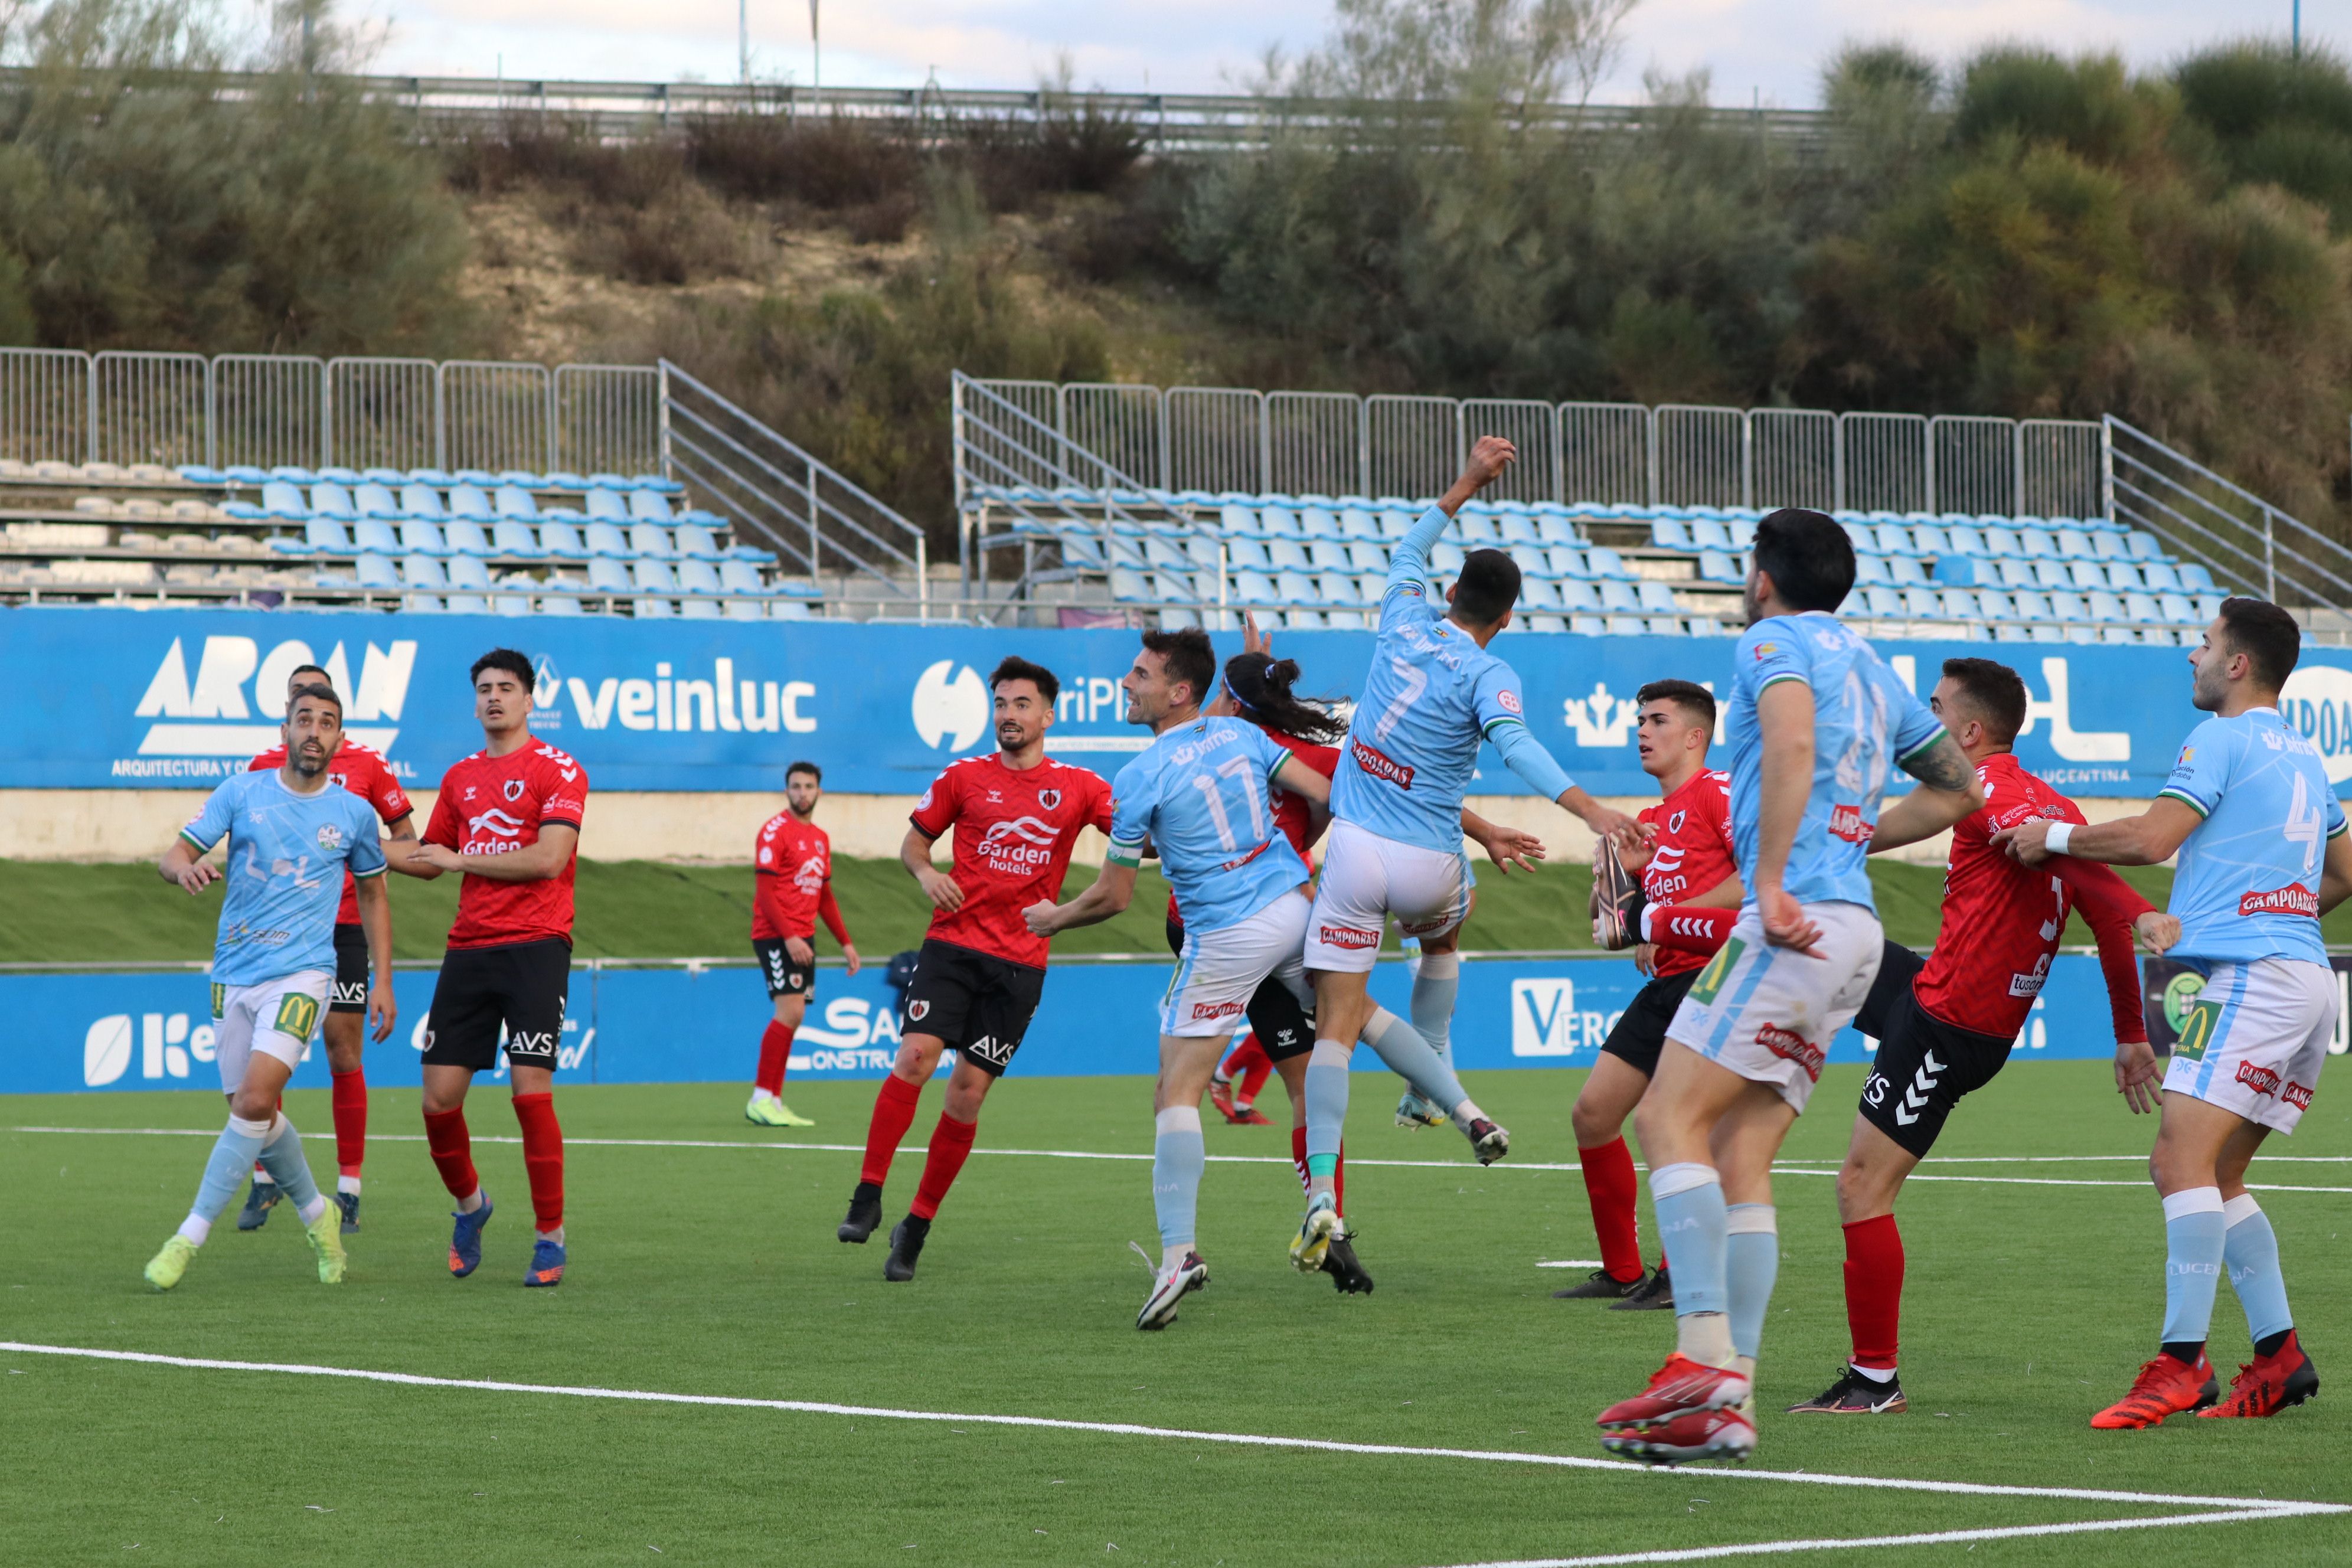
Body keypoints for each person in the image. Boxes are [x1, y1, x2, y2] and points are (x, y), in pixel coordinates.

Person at [1593, 507, 1983, 1466]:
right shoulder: (1868, 660)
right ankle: (1729, 1398)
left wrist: (1767, 881)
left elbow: (1789, 747)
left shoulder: (1770, 640)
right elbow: (1957, 787)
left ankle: (1696, 1357)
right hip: (1849, 929)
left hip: (1792, 917)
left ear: (1762, 575)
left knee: (1663, 1120)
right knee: (1739, 1150)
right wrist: (1851, 839)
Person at [1786, 657, 2179, 1416]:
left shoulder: (1988, 792)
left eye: (1933, 710)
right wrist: (2132, 1029)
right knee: (1825, 944)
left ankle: (1873, 1383)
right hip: (1935, 991)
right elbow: (2093, 908)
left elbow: (2103, 898)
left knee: (1861, 1188)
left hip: (1950, 1027)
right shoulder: (2048, 800)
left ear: (1968, 731)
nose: (1921, 723)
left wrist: (2139, 912)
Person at [1995, 598, 2352, 1427]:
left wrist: (2052, 836)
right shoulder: (2306, 755)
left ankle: (2181, 1366)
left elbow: (2155, 839)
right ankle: (2279, 1356)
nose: (2192, 656)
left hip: (2249, 978)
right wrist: (2281, 918)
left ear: (2237, 664)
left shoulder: (2221, 739)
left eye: (2204, 644)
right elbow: (2344, 871)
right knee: (2221, 1175)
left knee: (2175, 1164)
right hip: (2302, 977)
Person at [1295, 435, 1642, 1274]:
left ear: (1449, 592)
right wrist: (1590, 809)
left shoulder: (1404, 614)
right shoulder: (1493, 674)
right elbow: (1517, 746)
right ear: (1508, 619)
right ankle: (1431, 1072)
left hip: (1349, 859)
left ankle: (1322, 1199)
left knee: (1336, 1030)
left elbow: (1410, 544)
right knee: (1447, 929)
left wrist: (1469, 482)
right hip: (1423, 864)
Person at [1025, 629, 1338, 1327]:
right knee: (1354, 1029)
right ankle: (1446, 1096)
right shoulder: (1240, 738)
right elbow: (1330, 792)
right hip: (1293, 906)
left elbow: (1111, 896)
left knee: (1176, 1090)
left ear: (1179, 692)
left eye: (1139, 673)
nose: (1125, 682)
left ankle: (1180, 1254)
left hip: (1224, 935)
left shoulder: (1138, 776)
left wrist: (1054, 917)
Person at [837, 656, 1113, 1282]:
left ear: (1047, 715)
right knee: (914, 1057)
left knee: (966, 1096)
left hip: (1019, 965)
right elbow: (914, 842)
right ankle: (867, 1194)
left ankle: (917, 1225)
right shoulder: (964, 777)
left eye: (1021, 705)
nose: (1008, 715)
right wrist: (929, 872)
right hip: (952, 948)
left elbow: (1135, 841)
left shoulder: (1080, 787)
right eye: (1001, 704)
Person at [142, 682, 391, 1291]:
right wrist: (186, 869)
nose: (314, 730)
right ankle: (318, 1213)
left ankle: (187, 1237)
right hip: (234, 972)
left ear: (339, 739)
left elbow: (374, 894)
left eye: (327, 722)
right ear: (285, 730)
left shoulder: (354, 814)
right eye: (304, 718)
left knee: (256, 1101)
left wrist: (383, 977)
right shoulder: (241, 792)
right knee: (250, 1111)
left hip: (305, 973)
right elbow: (172, 856)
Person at [404, 650, 589, 1289]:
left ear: (530, 699)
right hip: (470, 948)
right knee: (437, 1099)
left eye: (506, 688)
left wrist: (463, 863)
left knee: (529, 1089)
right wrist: (360, 846)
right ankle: (471, 1205)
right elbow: (433, 857)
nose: (493, 698)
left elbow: (548, 858)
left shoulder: (559, 768)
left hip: (537, 944)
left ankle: (549, 1236)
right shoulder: (459, 777)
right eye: (483, 688)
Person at [1557, 680, 1742, 1310]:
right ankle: (1621, 1270)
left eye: (1657, 720)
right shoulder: (1654, 820)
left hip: (1718, 975)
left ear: (1696, 736)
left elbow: (1761, 875)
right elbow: (1621, 921)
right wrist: (1624, 884)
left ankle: (1680, 1271)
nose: (1641, 730)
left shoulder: (1718, 792)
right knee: (1592, 1115)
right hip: (1668, 982)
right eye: (1639, 720)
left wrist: (1667, 917)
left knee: (1669, 1121)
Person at [230, 662, 424, 1236]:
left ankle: (349, 1188)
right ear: (287, 715)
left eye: (320, 710)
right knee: (266, 1057)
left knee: (344, 1051)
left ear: (336, 721)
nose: (309, 719)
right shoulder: (261, 768)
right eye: (298, 705)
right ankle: (266, 1175)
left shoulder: (366, 765)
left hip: (342, 927)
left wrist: (356, 843)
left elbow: (407, 843)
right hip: (274, 930)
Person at [746, 760, 861, 1128]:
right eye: (795, 786)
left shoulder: (820, 838)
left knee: (795, 1016)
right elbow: (765, 894)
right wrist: (790, 937)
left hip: (802, 936)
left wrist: (846, 942)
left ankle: (774, 1100)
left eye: (808, 787)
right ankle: (762, 1097)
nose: (802, 793)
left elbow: (824, 896)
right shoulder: (774, 832)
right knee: (790, 1013)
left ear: (819, 791)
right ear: (787, 790)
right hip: (776, 934)